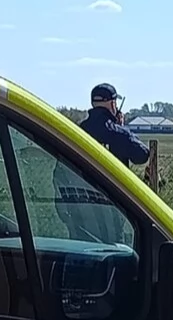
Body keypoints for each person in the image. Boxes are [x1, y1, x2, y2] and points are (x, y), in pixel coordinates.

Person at [54, 83, 149, 245]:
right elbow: (142, 155)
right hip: (113, 210)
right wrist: (122, 127)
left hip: (79, 211)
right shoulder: (118, 133)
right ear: (113, 104)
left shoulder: (76, 132)